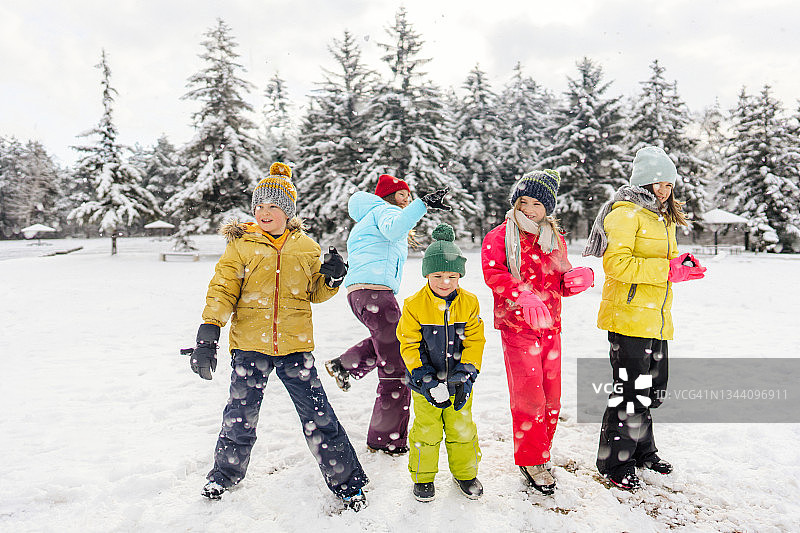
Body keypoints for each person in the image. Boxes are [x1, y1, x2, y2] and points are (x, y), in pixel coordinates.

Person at [186, 162, 369, 511]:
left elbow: (314, 293)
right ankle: (224, 475)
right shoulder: (241, 246)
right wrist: (209, 332)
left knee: (319, 417)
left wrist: (331, 279)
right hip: (250, 346)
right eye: (259, 206)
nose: (264, 212)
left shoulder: (307, 248)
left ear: (287, 210)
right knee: (239, 417)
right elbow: (222, 288)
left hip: (295, 347)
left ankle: (347, 483)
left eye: (272, 206)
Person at [583, 145, 707, 490]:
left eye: (669, 184)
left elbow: (657, 263)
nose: (665, 191)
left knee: (650, 389)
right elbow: (616, 265)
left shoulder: (659, 216)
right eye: (658, 184)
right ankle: (614, 463)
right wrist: (666, 270)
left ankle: (641, 451)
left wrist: (680, 266)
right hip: (628, 317)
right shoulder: (626, 213)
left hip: (655, 317)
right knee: (630, 392)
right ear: (642, 183)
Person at [481, 170, 594, 495]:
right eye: (523, 201)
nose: (529, 209)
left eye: (536, 203)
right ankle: (531, 459)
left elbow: (561, 277)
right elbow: (495, 274)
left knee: (551, 399)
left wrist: (577, 279)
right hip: (517, 329)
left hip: (551, 327)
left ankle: (542, 451)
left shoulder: (553, 238)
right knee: (529, 398)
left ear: (548, 208)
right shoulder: (500, 236)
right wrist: (522, 294)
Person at [324, 174, 451, 456]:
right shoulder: (386, 212)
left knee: (393, 340)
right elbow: (395, 230)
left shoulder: (367, 219)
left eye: (409, 195)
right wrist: (422, 205)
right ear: (389, 197)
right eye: (403, 195)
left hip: (361, 295)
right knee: (397, 365)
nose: (407, 200)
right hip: (376, 294)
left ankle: (345, 365)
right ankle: (387, 439)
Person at [396, 223, 486, 502]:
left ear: (460, 274)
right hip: (426, 384)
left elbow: (475, 341)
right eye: (438, 275)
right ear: (426, 274)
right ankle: (423, 477)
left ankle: (465, 473)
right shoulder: (414, 305)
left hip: (458, 382)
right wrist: (424, 377)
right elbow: (408, 343)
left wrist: (466, 374)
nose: (445, 282)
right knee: (427, 430)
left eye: (452, 275)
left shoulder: (469, 303)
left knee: (461, 427)